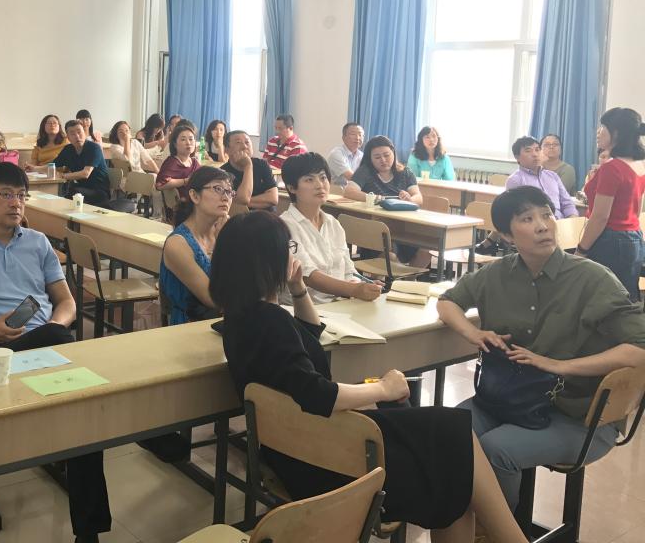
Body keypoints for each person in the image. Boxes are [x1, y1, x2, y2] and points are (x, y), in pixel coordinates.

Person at [213, 211, 527, 543]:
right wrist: (383, 388)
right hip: (324, 459)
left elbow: (306, 337)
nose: (293, 254)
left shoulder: (241, 318)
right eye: (288, 247)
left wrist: (298, 289)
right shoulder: (270, 321)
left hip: (297, 447)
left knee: (454, 461)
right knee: (454, 440)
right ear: (268, 261)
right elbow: (319, 394)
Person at [0, 162, 112, 542]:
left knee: (83, 415)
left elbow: (67, 302)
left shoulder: (38, 242)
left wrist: (54, 326)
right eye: (6, 195)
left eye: (21, 196)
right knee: (84, 399)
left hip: (47, 345)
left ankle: (88, 533)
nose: (16, 203)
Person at [438, 186, 645, 509]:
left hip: (577, 413)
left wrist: (559, 365)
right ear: (507, 235)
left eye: (547, 215)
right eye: (527, 219)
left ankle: (498, 530)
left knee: (497, 449)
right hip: (507, 399)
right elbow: (447, 302)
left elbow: (639, 347)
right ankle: (464, 522)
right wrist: (474, 333)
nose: (542, 226)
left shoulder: (592, 278)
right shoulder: (496, 274)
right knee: (444, 432)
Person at [280, 153, 383, 304]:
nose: (320, 185)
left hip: (339, 303)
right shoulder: (284, 226)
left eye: (323, 178)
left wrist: (361, 284)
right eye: (309, 180)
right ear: (291, 188)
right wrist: (354, 289)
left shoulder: (333, 223)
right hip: (305, 308)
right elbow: (307, 276)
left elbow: (348, 270)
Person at [578, 108, 645, 300]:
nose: (598, 132)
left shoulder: (612, 168)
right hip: (633, 237)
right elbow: (637, 209)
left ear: (616, 133)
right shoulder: (639, 164)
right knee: (625, 297)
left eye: (603, 127)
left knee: (602, 298)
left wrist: (581, 250)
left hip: (610, 240)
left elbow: (600, 217)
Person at [158, 166, 230, 325]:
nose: (225, 197)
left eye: (229, 191)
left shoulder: (223, 233)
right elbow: (215, 300)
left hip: (224, 322)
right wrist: (224, 244)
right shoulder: (178, 244)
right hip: (189, 327)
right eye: (218, 189)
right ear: (195, 196)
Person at [344, 135, 425, 264]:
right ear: (370, 158)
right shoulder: (365, 171)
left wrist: (410, 199)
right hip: (375, 231)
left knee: (426, 251)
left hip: (403, 227)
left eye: (387, 155)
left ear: (393, 153)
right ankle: (397, 274)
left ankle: (405, 276)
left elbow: (418, 197)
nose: (383, 160)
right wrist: (374, 198)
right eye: (377, 157)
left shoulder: (405, 173)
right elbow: (349, 191)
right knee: (390, 256)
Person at [505, 137, 577, 219]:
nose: (535, 154)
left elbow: (567, 203)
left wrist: (572, 218)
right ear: (517, 157)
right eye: (528, 151)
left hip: (561, 222)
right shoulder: (515, 180)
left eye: (537, 150)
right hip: (536, 224)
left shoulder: (553, 176)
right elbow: (518, 213)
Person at [54, 120, 111, 207]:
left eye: (79, 132)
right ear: (68, 137)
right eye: (72, 134)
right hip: (80, 189)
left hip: (99, 192)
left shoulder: (94, 148)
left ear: (84, 133)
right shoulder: (68, 149)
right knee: (68, 193)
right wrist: (35, 168)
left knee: (73, 193)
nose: (77, 136)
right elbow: (52, 165)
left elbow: (85, 174)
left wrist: (62, 176)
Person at [222, 131, 278, 212]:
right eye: (238, 142)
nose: (244, 146)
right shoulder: (223, 173)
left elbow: (273, 198)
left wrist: (238, 202)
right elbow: (243, 198)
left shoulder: (262, 165)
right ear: (227, 149)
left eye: (247, 142)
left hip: (267, 216)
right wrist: (248, 166)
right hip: (240, 217)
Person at [155, 121, 201, 205]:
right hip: (184, 205)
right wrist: (185, 181)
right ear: (175, 144)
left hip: (197, 200)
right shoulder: (172, 162)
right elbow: (160, 185)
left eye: (191, 139)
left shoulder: (194, 162)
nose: (188, 143)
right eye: (183, 139)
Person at [327, 122, 365, 186]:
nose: (357, 138)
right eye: (353, 134)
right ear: (344, 138)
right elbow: (352, 178)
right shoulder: (336, 154)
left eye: (360, 135)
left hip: (354, 189)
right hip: (336, 190)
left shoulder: (362, 155)